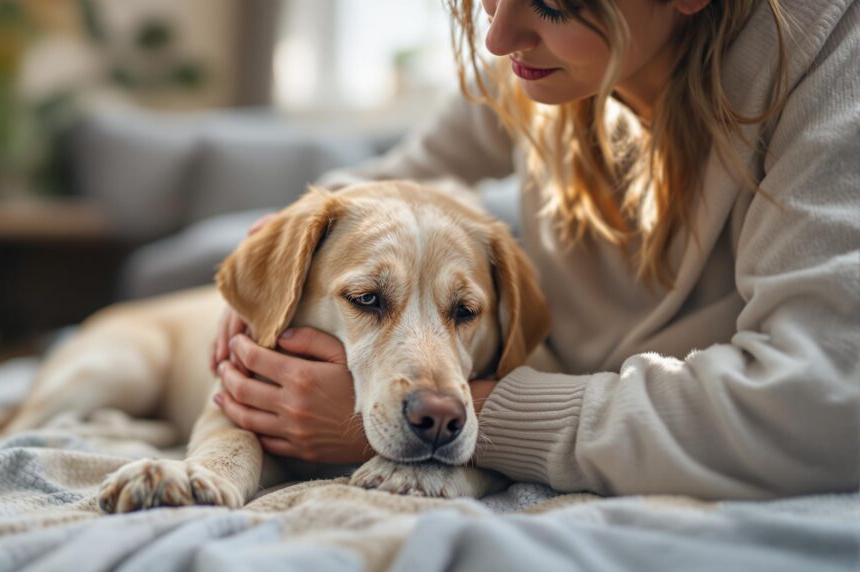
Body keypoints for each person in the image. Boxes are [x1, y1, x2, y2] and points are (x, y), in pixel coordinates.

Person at [210, 0, 859, 500]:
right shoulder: (537, 61)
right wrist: (272, 257)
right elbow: (399, 180)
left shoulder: (832, 67)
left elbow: (822, 402)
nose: (497, 38)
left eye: (554, 2)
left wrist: (480, 422)